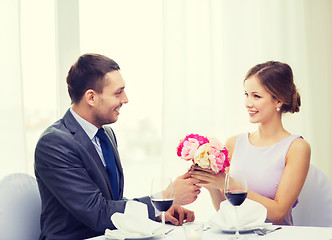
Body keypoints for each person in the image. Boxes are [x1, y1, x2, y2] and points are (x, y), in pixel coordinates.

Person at [34, 53, 200, 240]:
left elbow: (110, 203)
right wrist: (165, 197)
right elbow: (97, 212)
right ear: (91, 97)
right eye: (118, 92)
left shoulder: (106, 135)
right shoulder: (54, 143)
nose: (126, 99)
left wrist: (156, 213)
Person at [190, 61, 311, 225]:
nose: (248, 103)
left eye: (256, 96)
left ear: (279, 101)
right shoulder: (233, 143)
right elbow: (226, 211)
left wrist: (231, 184)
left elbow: (278, 213)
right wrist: (210, 183)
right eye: (246, 94)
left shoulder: (297, 148)